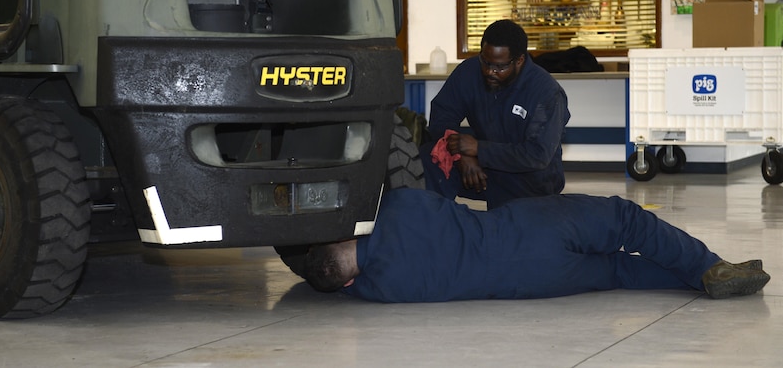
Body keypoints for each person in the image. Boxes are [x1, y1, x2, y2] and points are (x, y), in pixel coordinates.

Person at [303, 188, 770, 302]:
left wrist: (329, 281)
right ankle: (709, 267)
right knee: (625, 220)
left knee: (618, 271)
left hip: (539, 280)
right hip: (530, 229)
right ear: (346, 236)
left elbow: (339, 284)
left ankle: (699, 285)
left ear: (346, 278)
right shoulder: (399, 209)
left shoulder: (382, 291)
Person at [421, 19, 570, 209]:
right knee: (430, 157)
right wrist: (462, 155)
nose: (490, 71)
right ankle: (436, 225)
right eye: (485, 61)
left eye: (500, 67)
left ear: (519, 61)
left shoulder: (546, 92)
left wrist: (479, 150)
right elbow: (442, 115)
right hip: (480, 168)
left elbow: (537, 155)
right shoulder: (469, 72)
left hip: (528, 178)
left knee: (506, 228)